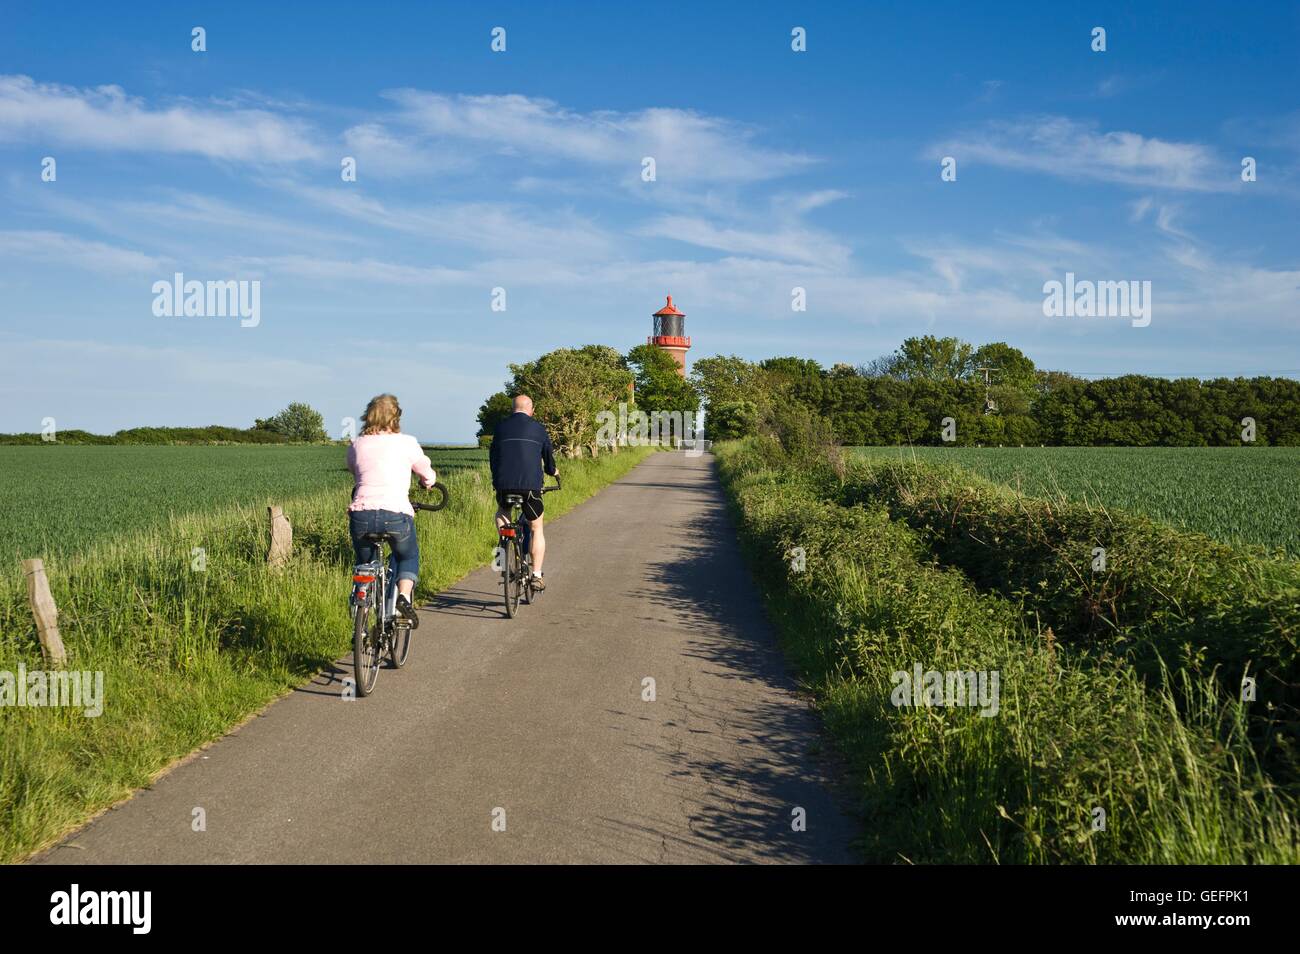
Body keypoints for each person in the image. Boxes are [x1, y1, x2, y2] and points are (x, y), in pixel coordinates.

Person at [347, 394, 436, 625]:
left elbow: (355, 472)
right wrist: (428, 483)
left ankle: (361, 612)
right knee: (407, 554)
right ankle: (404, 597)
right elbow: (426, 472)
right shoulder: (407, 442)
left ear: (368, 415)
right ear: (396, 417)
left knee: (364, 564)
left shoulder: (357, 443)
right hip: (396, 513)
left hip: (362, 511)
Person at [490, 394, 558, 590]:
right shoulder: (538, 428)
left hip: (504, 485)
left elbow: (494, 458)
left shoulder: (500, 427)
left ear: (513, 409)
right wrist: (553, 471)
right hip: (530, 488)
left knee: (502, 512)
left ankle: (502, 548)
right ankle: (536, 575)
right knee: (537, 527)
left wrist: (497, 481)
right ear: (532, 410)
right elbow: (548, 460)